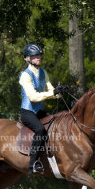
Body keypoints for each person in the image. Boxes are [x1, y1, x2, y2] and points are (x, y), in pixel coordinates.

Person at [19, 43, 68, 174]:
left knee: (56, 123)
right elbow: (33, 97)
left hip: (39, 111)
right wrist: (52, 93)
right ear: (28, 58)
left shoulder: (43, 72)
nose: (38, 57)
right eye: (35, 55)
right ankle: (33, 164)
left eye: (39, 55)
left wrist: (59, 92)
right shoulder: (25, 75)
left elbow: (50, 89)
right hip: (28, 112)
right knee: (40, 129)